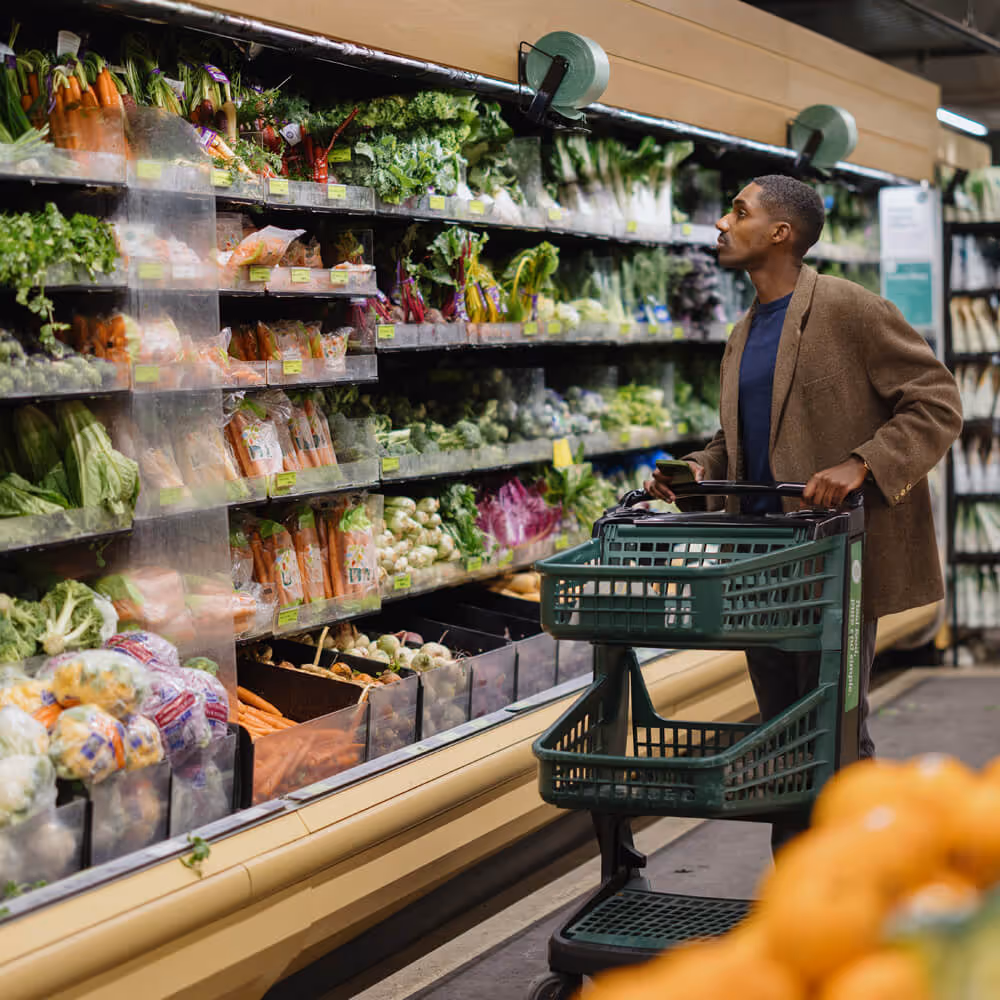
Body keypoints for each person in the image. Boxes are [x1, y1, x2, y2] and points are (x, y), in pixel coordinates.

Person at [645, 174, 962, 851]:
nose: (722, 225)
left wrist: (862, 463)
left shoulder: (848, 309)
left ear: (781, 232)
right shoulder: (741, 333)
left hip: (832, 560)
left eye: (739, 211)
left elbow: (937, 400)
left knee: (837, 730)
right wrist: (699, 470)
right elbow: (737, 445)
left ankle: (860, 881)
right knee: (783, 731)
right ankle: (799, 884)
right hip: (761, 561)